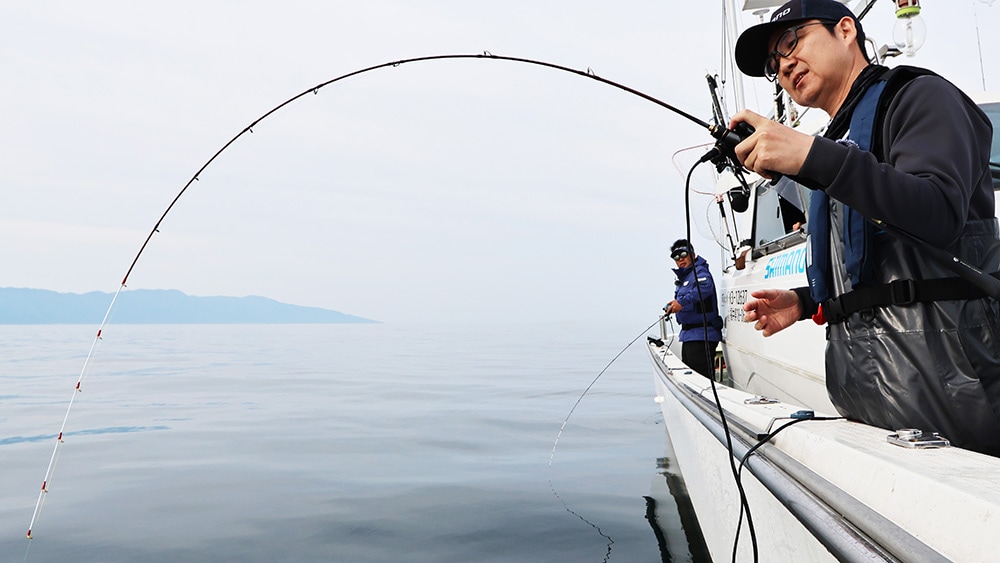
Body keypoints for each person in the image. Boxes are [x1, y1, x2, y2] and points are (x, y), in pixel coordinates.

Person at [731, 0, 1000, 455]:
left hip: (954, 406)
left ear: (845, 30)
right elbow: (878, 259)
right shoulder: (836, 146)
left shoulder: (919, 96)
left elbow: (937, 213)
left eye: (793, 41)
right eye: (774, 63)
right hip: (866, 409)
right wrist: (805, 300)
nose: (784, 64)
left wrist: (811, 156)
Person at [665, 239, 722, 379]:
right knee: (692, 377)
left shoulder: (700, 272)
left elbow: (704, 289)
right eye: (676, 257)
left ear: (693, 254)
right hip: (690, 336)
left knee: (702, 378)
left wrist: (681, 303)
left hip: (702, 335)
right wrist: (674, 304)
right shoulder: (686, 277)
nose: (680, 259)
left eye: (683, 254)